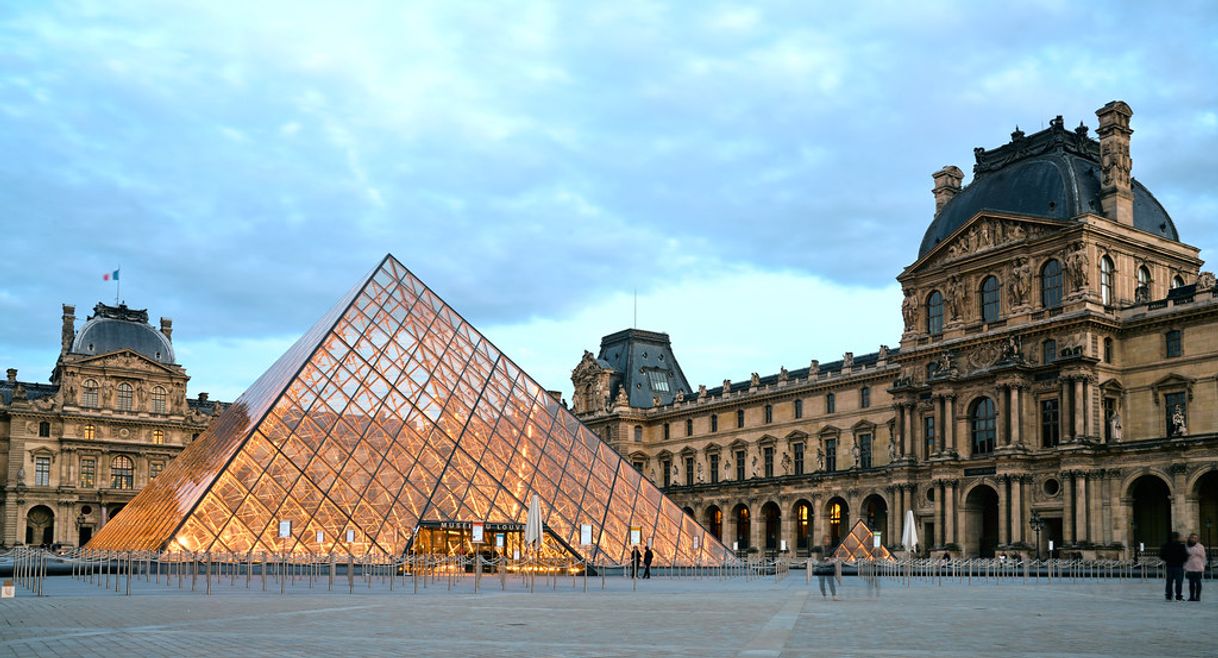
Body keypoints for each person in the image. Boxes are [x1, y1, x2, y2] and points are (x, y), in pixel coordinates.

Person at [1159, 531, 1188, 601]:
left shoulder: (1166, 545)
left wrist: (1168, 559)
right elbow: (1185, 556)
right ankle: (1178, 596)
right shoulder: (1181, 546)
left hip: (1169, 565)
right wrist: (1181, 561)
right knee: (1179, 582)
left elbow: (1161, 555)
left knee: (1169, 582)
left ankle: (1168, 595)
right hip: (1178, 566)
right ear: (1178, 537)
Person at [1184, 533, 1207, 602]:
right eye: (1192, 537)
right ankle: (1191, 596)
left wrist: (1203, 565)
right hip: (1189, 566)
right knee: (1191, 582)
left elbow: (1203, 555)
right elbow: (1186, 554)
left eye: (1195, 538)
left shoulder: (1200, 546)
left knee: (1198, 582)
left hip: (1198, 566)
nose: (1194, 539)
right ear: (1190, 538)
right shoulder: (1186, 546)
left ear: (1197, 539)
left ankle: (1197, 597)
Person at [817, 536, 838, 600]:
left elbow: (834, 556)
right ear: (823, 540)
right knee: (821, 582)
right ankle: (824, 594)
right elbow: (818, 558)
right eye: (826, 540)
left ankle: (834, 595)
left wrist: (832, 559)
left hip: (829, 567)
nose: (827, 541)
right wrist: (824, 558)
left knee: (831, 582)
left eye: (828, 540)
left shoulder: (831, 548)